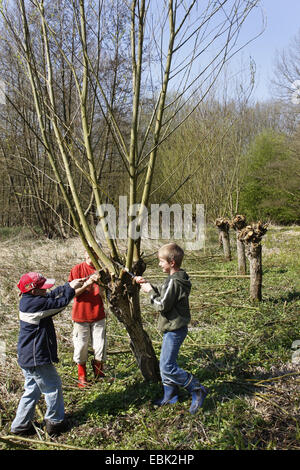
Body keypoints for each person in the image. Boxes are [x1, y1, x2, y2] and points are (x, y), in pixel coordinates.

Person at [135, 243, 208, 414]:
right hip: (172, 329)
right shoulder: (174, 279)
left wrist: (149, 293)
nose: (159, 264)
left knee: (167, 367)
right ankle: (171, 396)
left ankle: (197, 388)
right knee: (165, 365)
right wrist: (149, 285)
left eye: (161, 261)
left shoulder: (175, 282)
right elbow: (164, 291)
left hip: (175, 331)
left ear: (172, 262)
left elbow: (162, 305)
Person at [11, 271, 84, 437]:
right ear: (33, 291)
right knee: (53, 386)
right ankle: (55, 422)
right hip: (37, 357)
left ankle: (20, 426)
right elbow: (60, 303)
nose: (46, 290)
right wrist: (70, 290)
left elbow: (51, 295)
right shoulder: (34, 305)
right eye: (42, 288)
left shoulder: (30, 299)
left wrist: (69, 286)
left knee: (32, 390)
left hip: (28, 356)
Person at [68, 250, 107, 388]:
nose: (92, 255)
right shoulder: (77, 269)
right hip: (81, 315)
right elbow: (72, 293)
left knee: (100, 346)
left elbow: (104, 293)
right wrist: (88, 283)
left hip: (98, 314)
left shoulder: (103, 269)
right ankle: (82, 377)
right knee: (81, 346)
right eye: (89, 252)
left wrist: (102, 282)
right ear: (84, 253)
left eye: (95, 252)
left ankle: (99, 374)